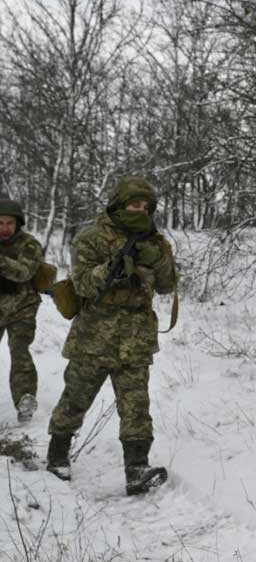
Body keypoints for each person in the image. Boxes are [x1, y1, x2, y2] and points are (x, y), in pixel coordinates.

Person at [46, 177, 177, 496]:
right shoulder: (91, 237)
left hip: (135, 338)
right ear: (119, 205)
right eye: (134, 204)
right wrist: (113, 269)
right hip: (94, 337)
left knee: (136, 406)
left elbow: (167, 285)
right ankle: (57, 456)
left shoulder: (155, 240)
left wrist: (157, 259)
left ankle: (137, 469)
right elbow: (82, 284)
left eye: (145, 206)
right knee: (75, 399)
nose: (140, 210)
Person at [0, 199, 45, 422]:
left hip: (22, 308)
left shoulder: (29, 244)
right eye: (0, 223)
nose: (5, 228)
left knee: (19, 352)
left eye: (9, 223)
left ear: (18, 223)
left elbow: (23, 272)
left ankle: (24, 400)